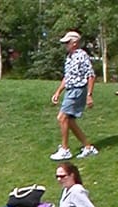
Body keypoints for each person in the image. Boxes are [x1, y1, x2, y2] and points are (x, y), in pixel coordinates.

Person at [50, 31, 97, 161]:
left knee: (62, 117)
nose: (65, 45)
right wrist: (58, 92)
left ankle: (65, 150)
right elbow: (68, 77)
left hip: (78, 90)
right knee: (69, 120)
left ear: (75, 43)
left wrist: (89, 95)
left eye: (67, 42)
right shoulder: (69, 57)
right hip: (70, 90)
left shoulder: (82, 56)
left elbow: (91, 75)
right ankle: (88, 147)